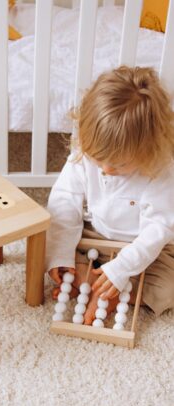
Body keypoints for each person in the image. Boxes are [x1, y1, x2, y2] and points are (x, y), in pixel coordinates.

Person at [46, 65, 174, 325]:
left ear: (148, 150)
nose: (105, 168)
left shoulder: (160, 169)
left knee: (167, 286)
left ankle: (117, 289)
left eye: (119, 164)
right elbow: (64, 202)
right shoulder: (85, 156)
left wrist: (122, 270)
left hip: (148, 245)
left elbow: (158, 230)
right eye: (98, 159)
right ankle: (85, 275)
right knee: (45, 239)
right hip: (97, 232)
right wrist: (61, 254)